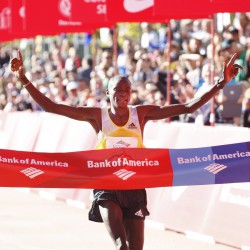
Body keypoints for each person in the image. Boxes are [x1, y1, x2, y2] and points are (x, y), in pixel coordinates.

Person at [10, 51, 242, 250]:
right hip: (107, 188)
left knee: (136, 248)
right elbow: (53, 107)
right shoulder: (96, 116)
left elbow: (188, 106)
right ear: (108, 93)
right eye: (118, 90)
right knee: (122, 246)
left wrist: (221, 83)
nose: (123, 94)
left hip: (134, 187)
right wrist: (24, 79)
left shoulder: (140, 114)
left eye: (127, 90)